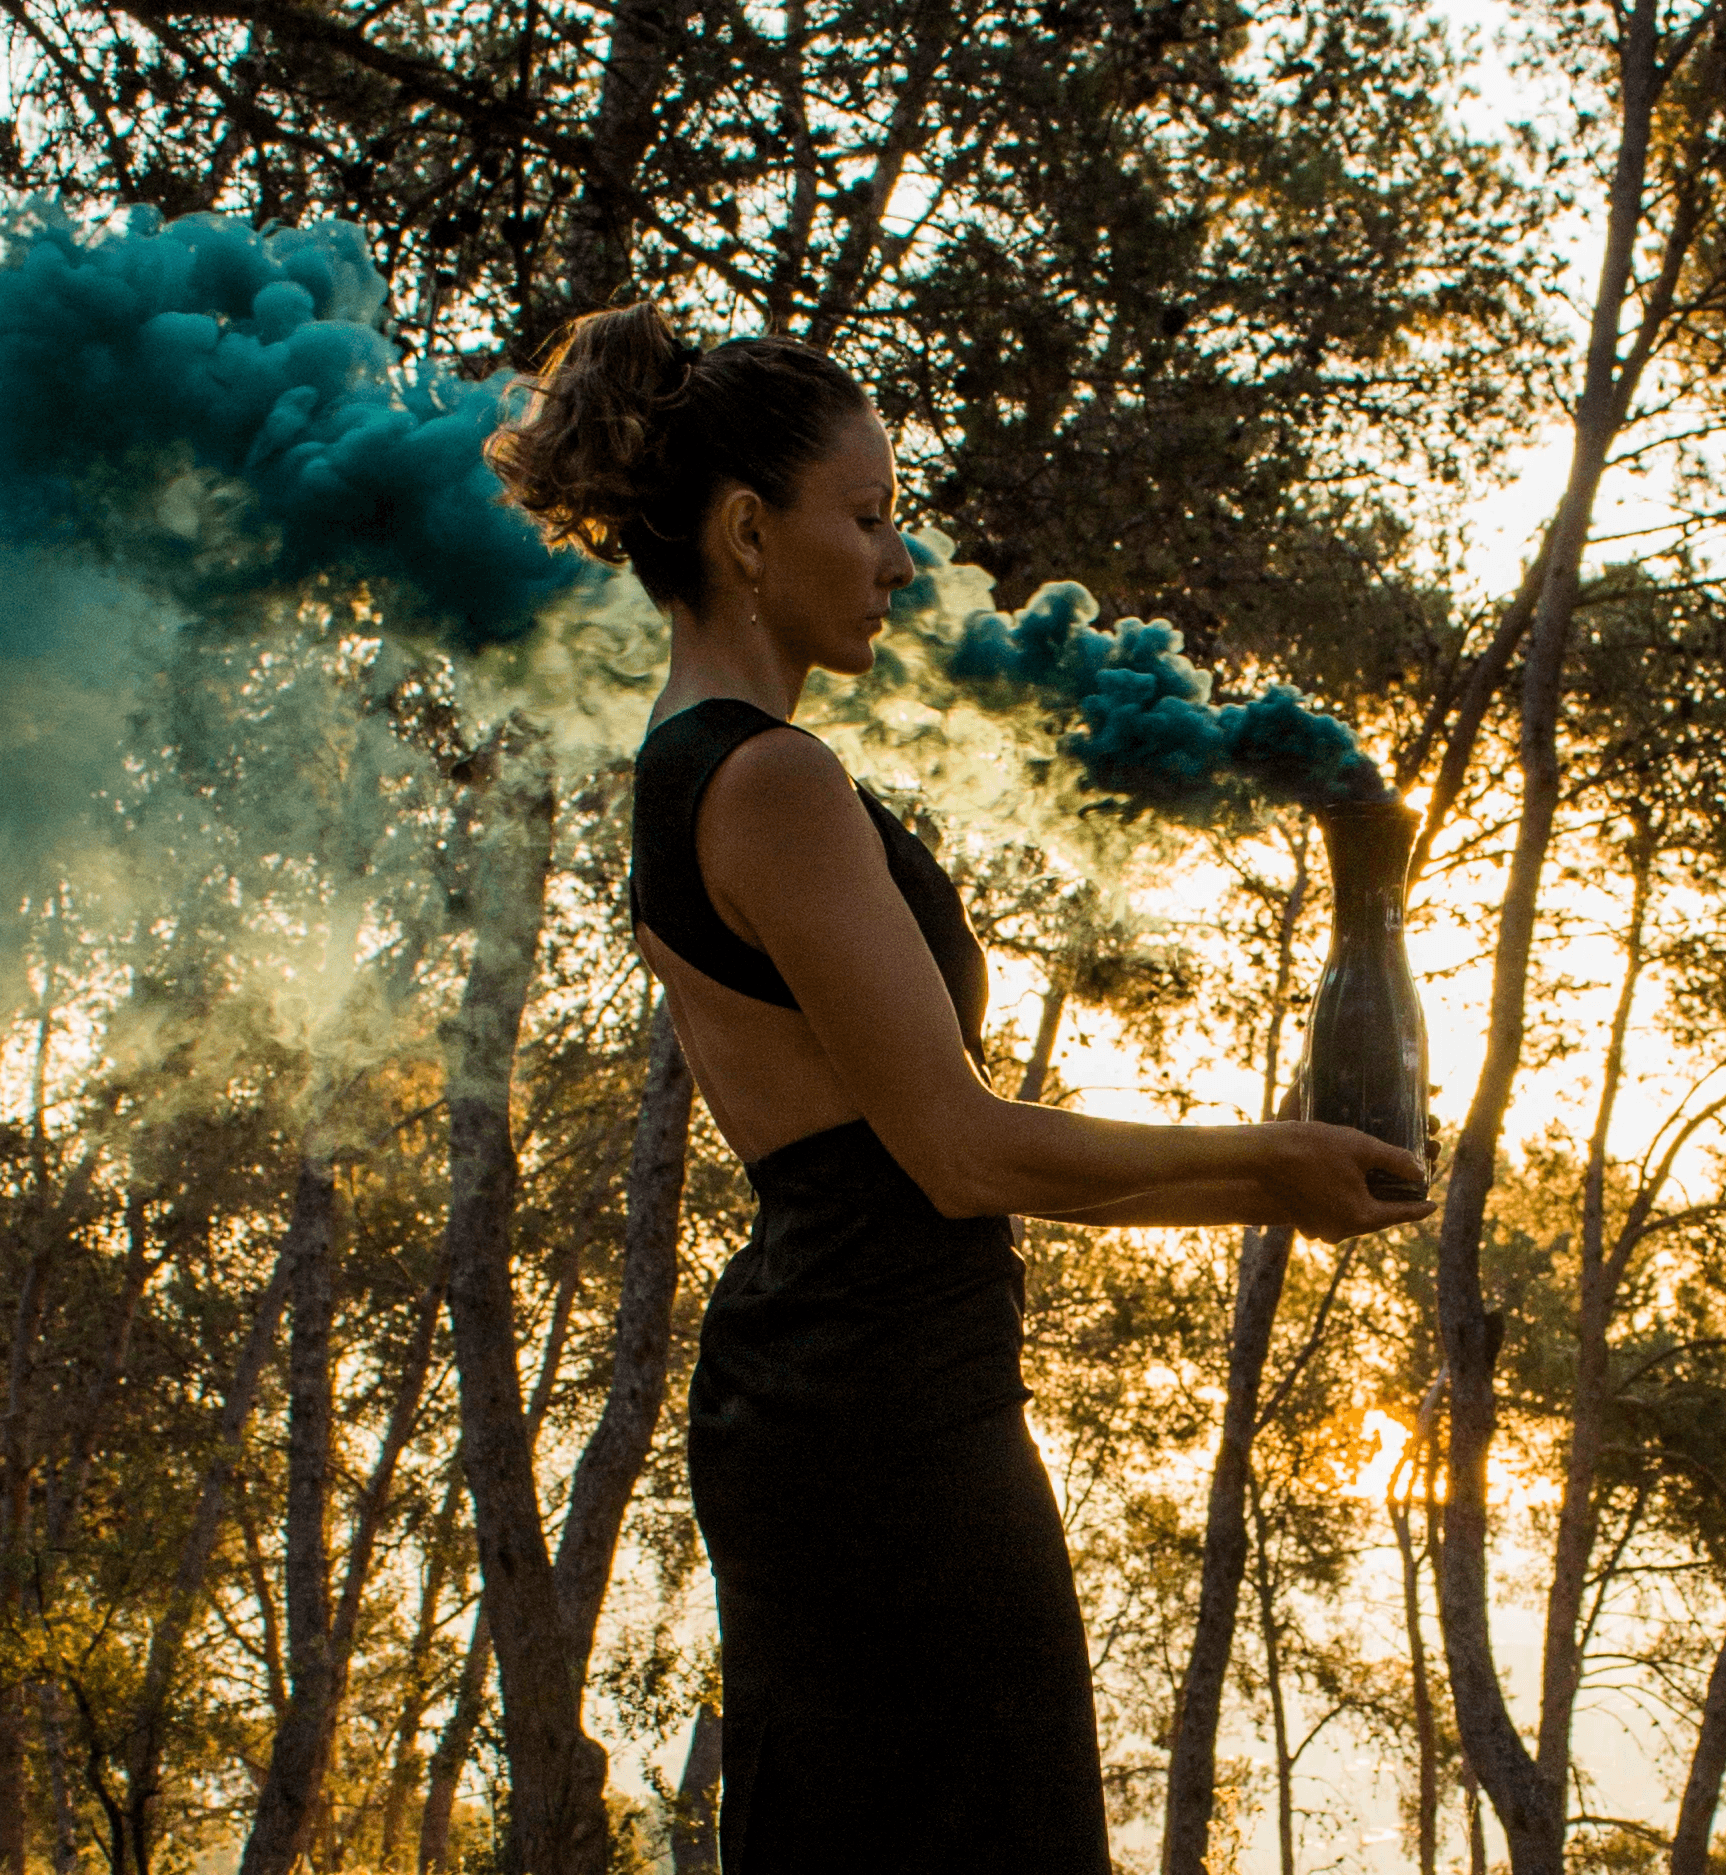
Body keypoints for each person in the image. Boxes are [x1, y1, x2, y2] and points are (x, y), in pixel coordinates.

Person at [487, 304, 1434, 1873]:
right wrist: (1272, 1161)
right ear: (746, 532)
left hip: (842, 1377)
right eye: (866, 518)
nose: (899, 560)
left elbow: (903, 1147)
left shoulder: (687, 768)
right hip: (883, 1414)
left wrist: (1283, 1184)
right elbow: (959, 1150)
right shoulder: (770, 778)